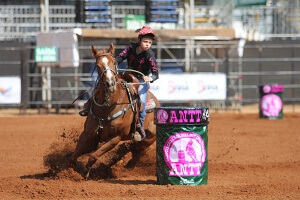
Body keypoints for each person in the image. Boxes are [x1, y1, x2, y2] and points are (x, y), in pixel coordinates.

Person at [79, 26, 159, 139]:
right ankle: (89, 105)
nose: (147, 44)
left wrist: (150, 78)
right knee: (102, 85)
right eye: (145, 41)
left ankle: (139, 127)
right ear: (139, 40)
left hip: (141, 81)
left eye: (150, 42)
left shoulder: (150, 55)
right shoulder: (130, 49)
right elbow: (119, 58)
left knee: (141, 100)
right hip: (127, 75)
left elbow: (155, 72)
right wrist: (109, 62)